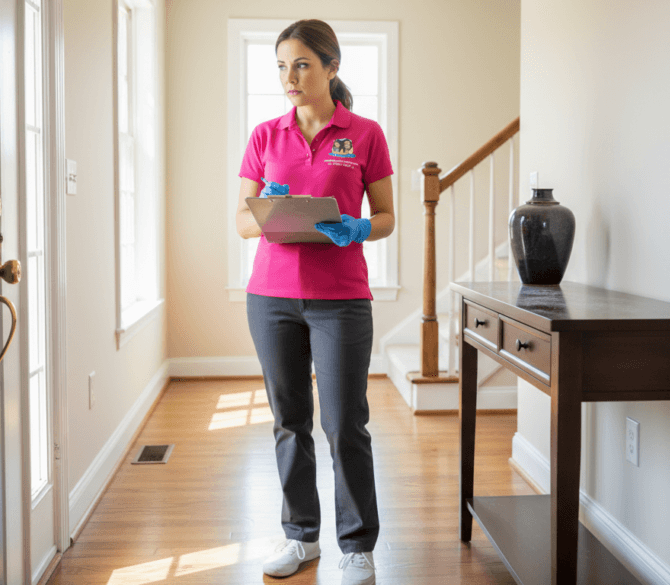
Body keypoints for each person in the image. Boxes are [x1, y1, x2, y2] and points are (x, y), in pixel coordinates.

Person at [234, 18, 395, 585]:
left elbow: (386, 216)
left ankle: (357, 546)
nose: (290, 77)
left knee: (345, 422)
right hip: (271, 297)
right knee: (289, 420)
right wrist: (270, 209)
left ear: (331, 67)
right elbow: (241, 221)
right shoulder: (265, 135)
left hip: (341, 299)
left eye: (302, 64)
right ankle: (301, 537)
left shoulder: (364, 134)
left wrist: (359, 227)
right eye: (282, 66)